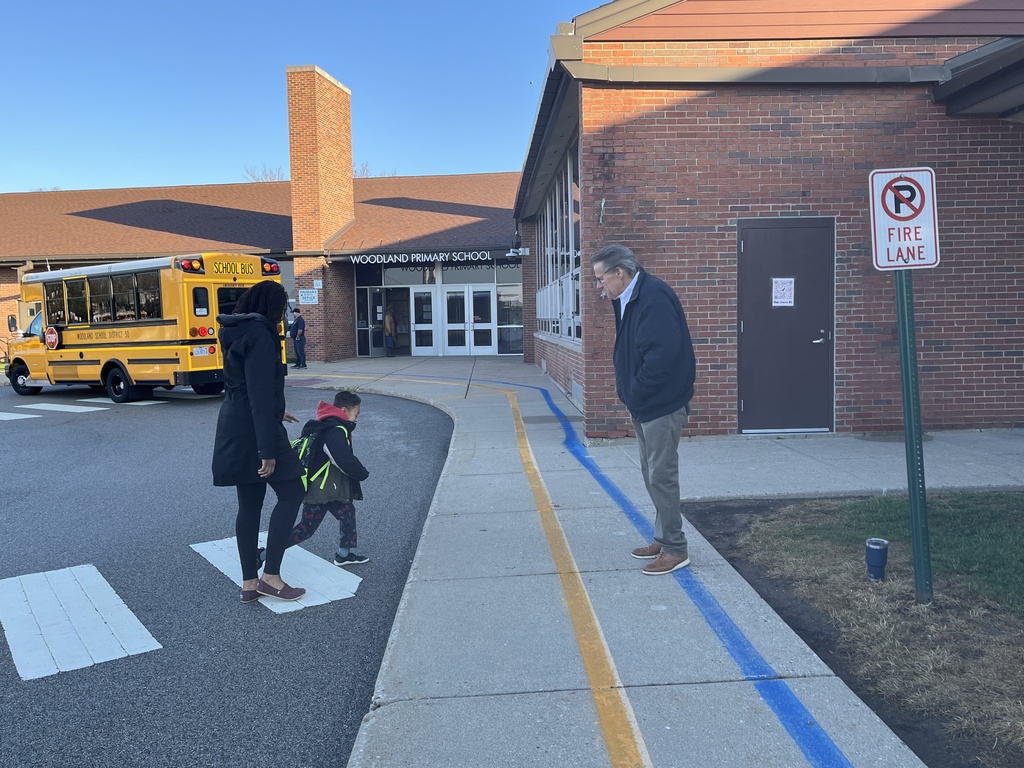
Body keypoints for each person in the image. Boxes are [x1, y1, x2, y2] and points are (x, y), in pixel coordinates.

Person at [590, 244, 697, 576]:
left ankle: (676, 549)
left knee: (661, 477)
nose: (599, 286)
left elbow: (661, 357)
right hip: (646, 405)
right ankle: (663, 538)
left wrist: (635, 392)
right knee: (651, 475)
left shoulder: (652, 297)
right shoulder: (630, 297)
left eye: (600, 278)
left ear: (619, 273)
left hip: (660, 404)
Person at [212, 280, 307, 602]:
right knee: (293, 490)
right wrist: (267, 449)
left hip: (235, 424)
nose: (283, 315)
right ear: (272, 306)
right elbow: (260, 393)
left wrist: (278, 411)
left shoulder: (236, 330)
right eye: (281, 308)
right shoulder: (261, 335)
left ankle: (249, 584)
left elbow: (244, 387)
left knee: (249, 506)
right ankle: (272, 576)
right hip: (256, 431)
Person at [280, 390, 371, 567]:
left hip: (330, 488)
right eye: (356, 414)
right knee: (305, 529)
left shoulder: (328, 424)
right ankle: (266, 554)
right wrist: (361, 473)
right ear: (344, 411)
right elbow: (342, 460)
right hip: (320, 490)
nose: (357, 419)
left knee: (347, 514)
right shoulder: (334, 430)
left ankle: (344, 554)